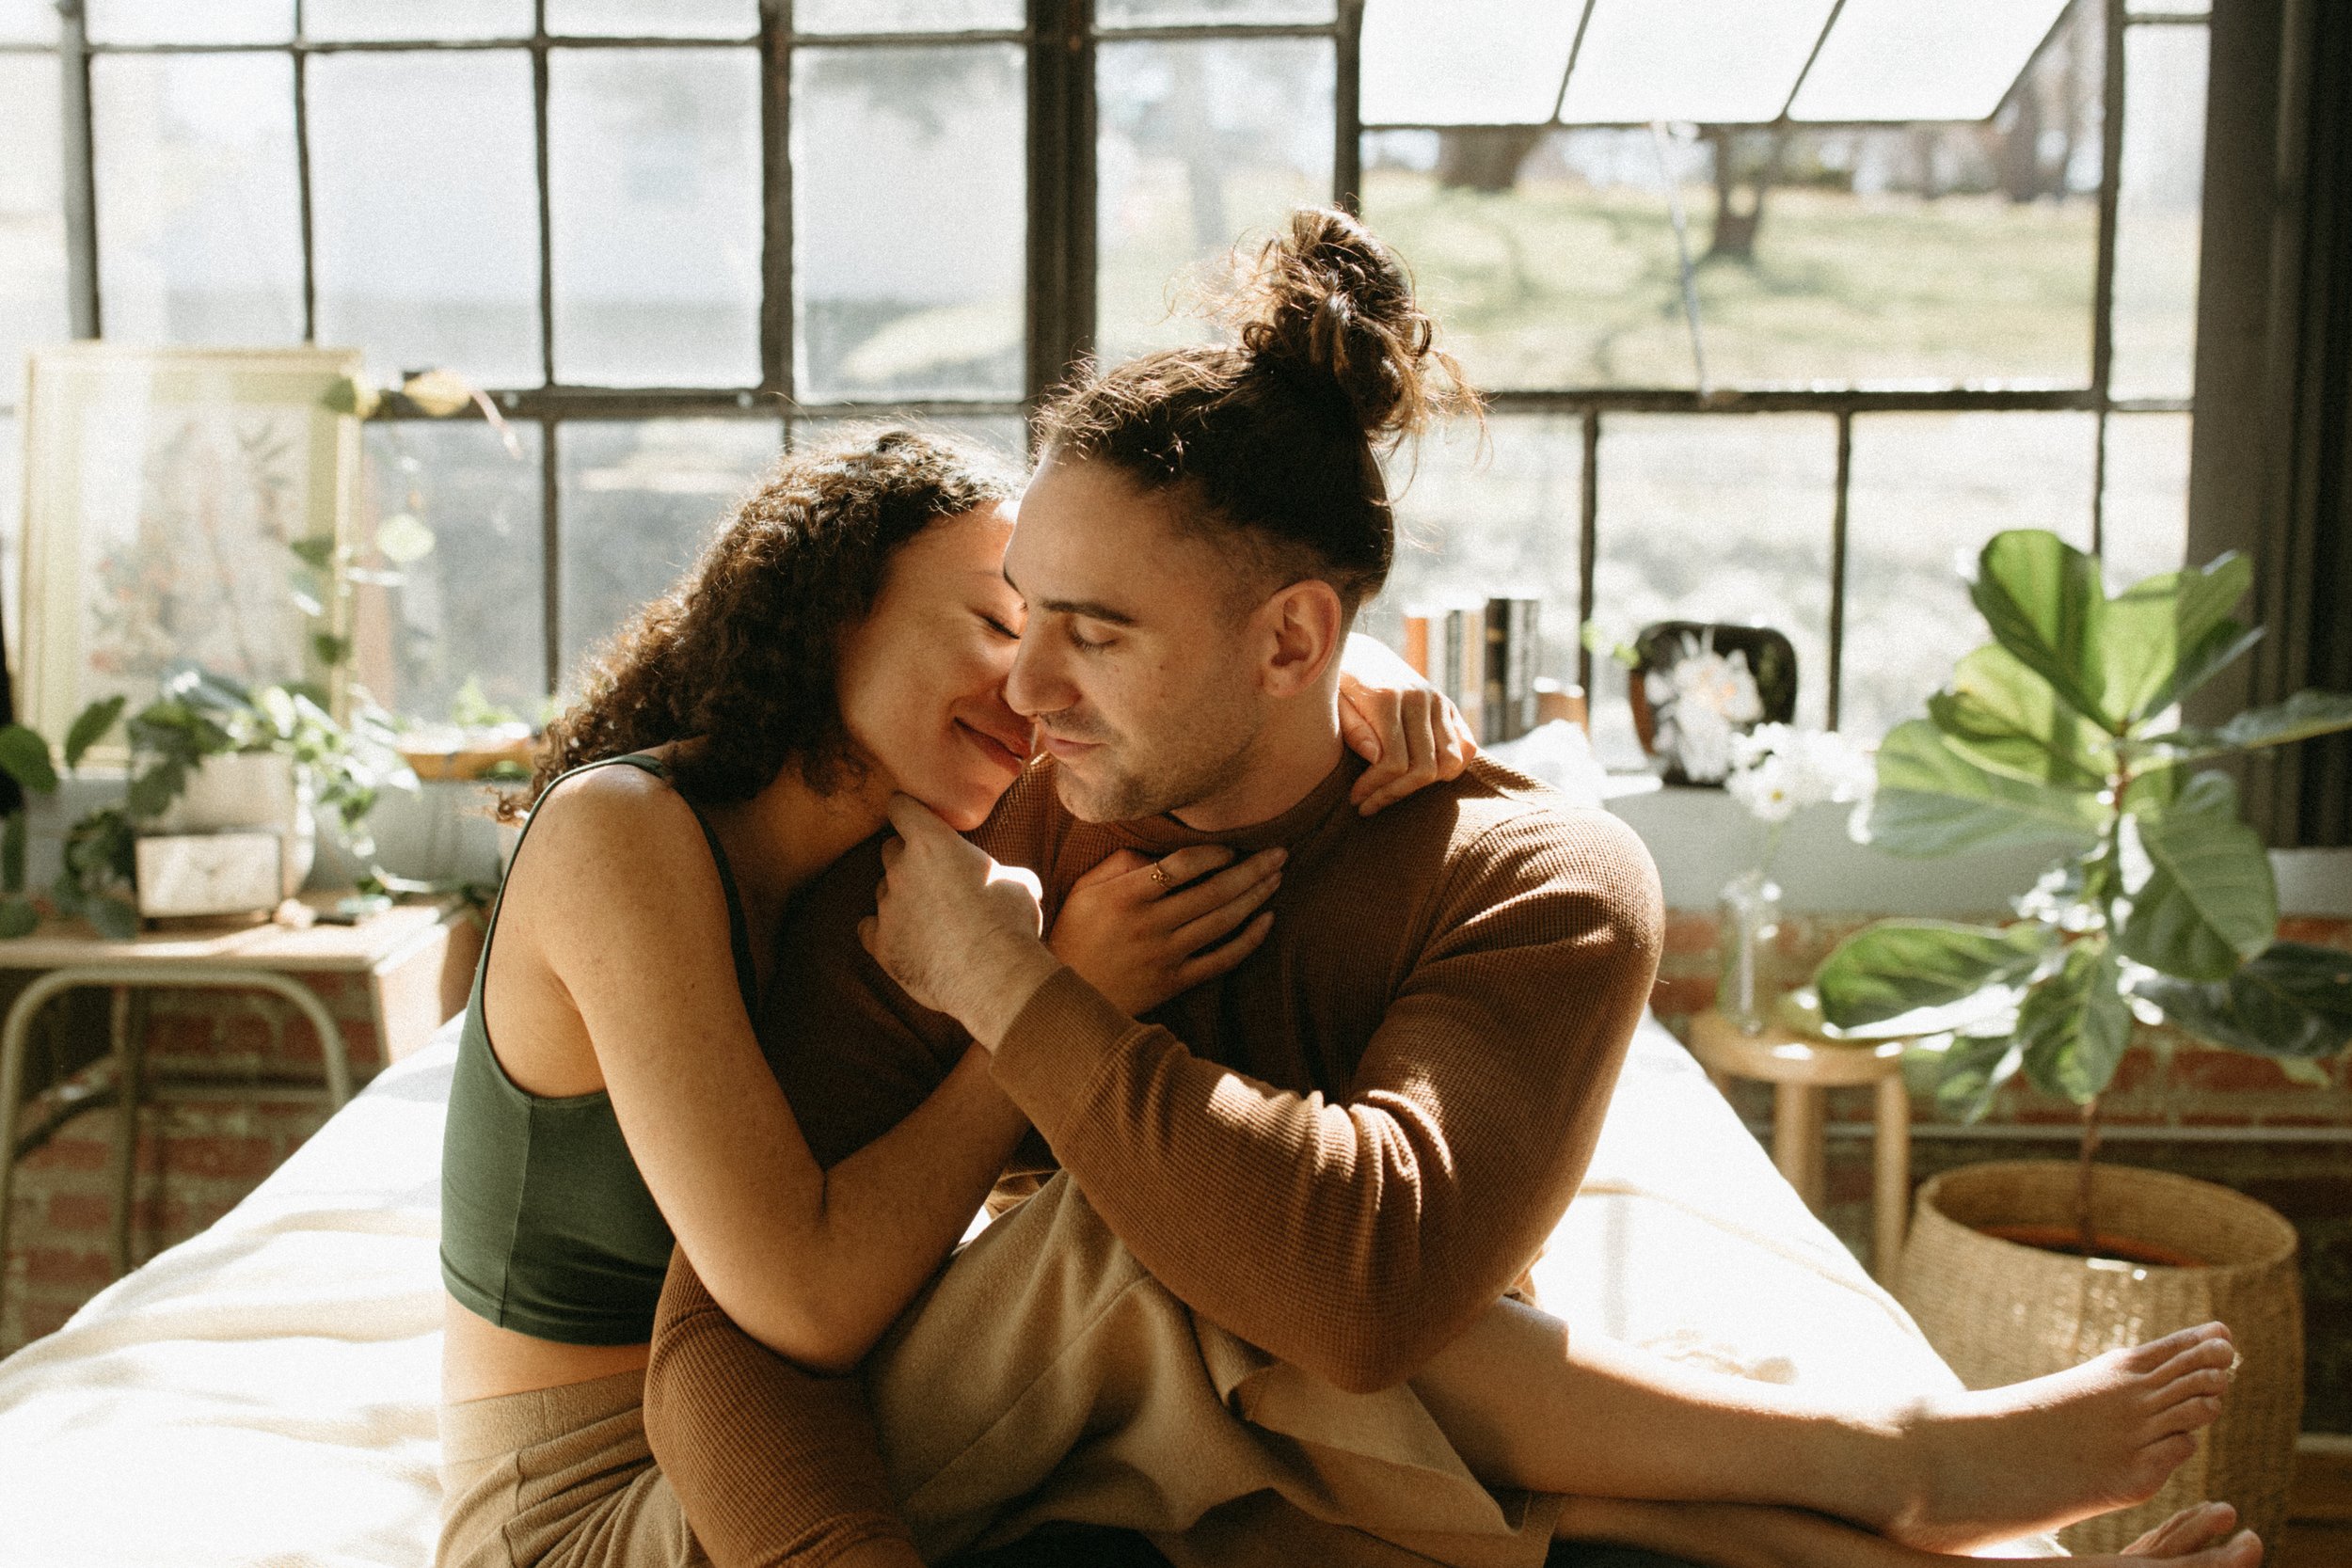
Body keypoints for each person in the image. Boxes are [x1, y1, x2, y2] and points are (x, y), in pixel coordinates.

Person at [641, 210, 2255, 1568]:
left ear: (1293, 640)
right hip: (1016, 1491)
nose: (1029, 690)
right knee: (1174, 1266)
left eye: (1098, 633)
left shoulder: (1534, 878)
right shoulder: (987, 831)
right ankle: (1894, 1463)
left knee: (1409, 1404)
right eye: (1021, 614)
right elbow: (728, 1333)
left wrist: (1011, 985)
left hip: (1327, 1493)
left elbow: (1357, 1296)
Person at [433, 427, 1473, 1567]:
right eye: (996, 624)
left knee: (1228, 1266)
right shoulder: (618, 833)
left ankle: (1652, 1510)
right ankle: (1686, 1478)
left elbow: (1193, 698)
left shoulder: (901, 852)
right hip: (580, 1507)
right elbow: (806, 1299)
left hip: (819, 1430)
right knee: (1143, 1249)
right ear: (836, 604)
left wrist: (1350, 675)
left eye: (1066, 640)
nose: (1032, 692)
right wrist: (1035, 997)